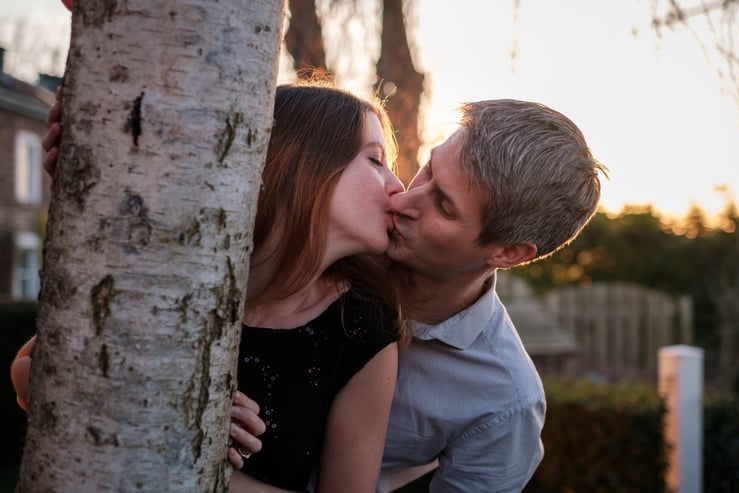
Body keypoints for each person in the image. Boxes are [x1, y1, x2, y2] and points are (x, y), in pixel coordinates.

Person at [11, 80, 407, 493]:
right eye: (376, 161)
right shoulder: (178, 267)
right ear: (304, 164)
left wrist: (192, 459)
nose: (397, 187)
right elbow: (28, 370)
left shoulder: (361, 327)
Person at [374, 98, 608, 492]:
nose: (401, 201)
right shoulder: (339, 241)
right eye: (428, 170)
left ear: (508, 252)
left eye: (444, 206)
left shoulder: (504, 403)